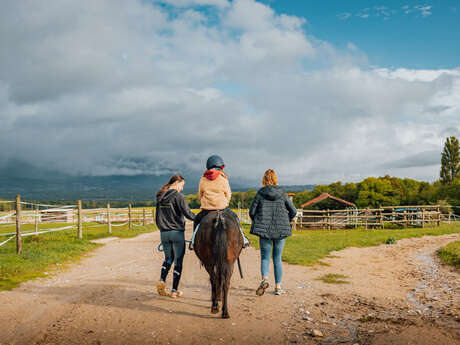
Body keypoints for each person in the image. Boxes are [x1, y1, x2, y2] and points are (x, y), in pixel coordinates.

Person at [249, 169, 297, 296]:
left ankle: (265, 279)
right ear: (275, 179)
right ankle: (278, 287)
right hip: (281, 230)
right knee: (277, 258)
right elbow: (293, 211)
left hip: (264, 230)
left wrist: (259, 222)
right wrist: (286, 221)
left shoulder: (260, 194)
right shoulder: (283, 194)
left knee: (265, 257)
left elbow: (252, 212)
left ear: (264, 179)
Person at [189, 155, 249, 250]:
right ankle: (243, 238)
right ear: (220, 166)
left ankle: (193, 241)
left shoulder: (203, 179)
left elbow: (200, 194)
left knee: (197, 220)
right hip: (222, 208)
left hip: (207, 210)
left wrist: (205, 202)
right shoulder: (223, 178)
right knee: (235, 218)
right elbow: (228, 194)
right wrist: (226, 203)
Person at [155, 174, 195, 298]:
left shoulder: (160, 196)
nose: (182, 189)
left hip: (164, 234)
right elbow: (188, 214)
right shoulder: (178, 196)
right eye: (182, 185)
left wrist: (163, 228)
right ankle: (173, 290)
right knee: (178, 261)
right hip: (177, 233)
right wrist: (201, 217)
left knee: (168, 259)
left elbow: (156, 218)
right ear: (177, 183)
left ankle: (162, 280)